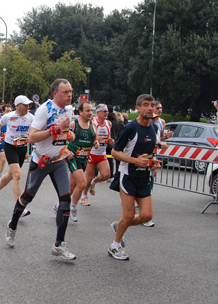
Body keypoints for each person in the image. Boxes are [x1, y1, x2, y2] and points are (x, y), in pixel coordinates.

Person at [4, 79, 77, 261]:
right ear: (55, 93)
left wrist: (69, 134)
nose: (69, 95)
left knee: (65, 200)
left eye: (71, 91)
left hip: (59, 160)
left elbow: (63, 133)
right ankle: (12, 226)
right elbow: (32, 137)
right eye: (65, 92)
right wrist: (56, 129)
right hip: (41, 162)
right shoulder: (45, 109)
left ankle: (59, 245)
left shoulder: (69, 109)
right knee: (27, 197)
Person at [108, 94, 161, 261]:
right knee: (129, 215)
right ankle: (115, 246)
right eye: (146, 105)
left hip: (144, 178)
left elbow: (149, 153)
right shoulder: (130, 128)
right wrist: (135, 161)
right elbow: (114, 152)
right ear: (138, 108)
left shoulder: (154, 128)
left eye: (152, 105)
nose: (150, 108)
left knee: (147, 216)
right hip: (128, 176)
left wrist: (153, 162)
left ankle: (120, 225)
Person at [52, 101, 97, 223]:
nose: (90, 113)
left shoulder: (93, 125)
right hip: (73, 158)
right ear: (80, 112)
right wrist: (66, 150)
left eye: (91, 110)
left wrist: (96, 143)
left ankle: (58, 206)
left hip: (84, 159)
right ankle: (72, 208)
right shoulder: (73, 124)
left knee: (72, 188)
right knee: (82, 183)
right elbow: (61, 139)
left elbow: (94, 139)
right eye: (87, 110)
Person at [0, 97, 34, 214]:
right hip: (10, 147)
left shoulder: (31, 118)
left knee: (10, 174)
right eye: (26, 105)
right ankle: (20, 207)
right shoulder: (9, 116)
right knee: (17, 175)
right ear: (18, 105)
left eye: (29, 105)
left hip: (22, 148)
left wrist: (28, 148)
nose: (28, 107)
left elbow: (35, 132)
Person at [81, 104, 113, 206]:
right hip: (91, 153)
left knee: (106, 175)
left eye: (107, 111)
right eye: (104, 111)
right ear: (98, 112)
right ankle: (84, 196)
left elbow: (109, 137)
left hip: (102, 153)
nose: (106, 113)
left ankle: (94, 182)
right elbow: (87, 136)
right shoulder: (92, 122)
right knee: (88, 177)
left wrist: (110, 140)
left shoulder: (109, 123)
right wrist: (96, 138)